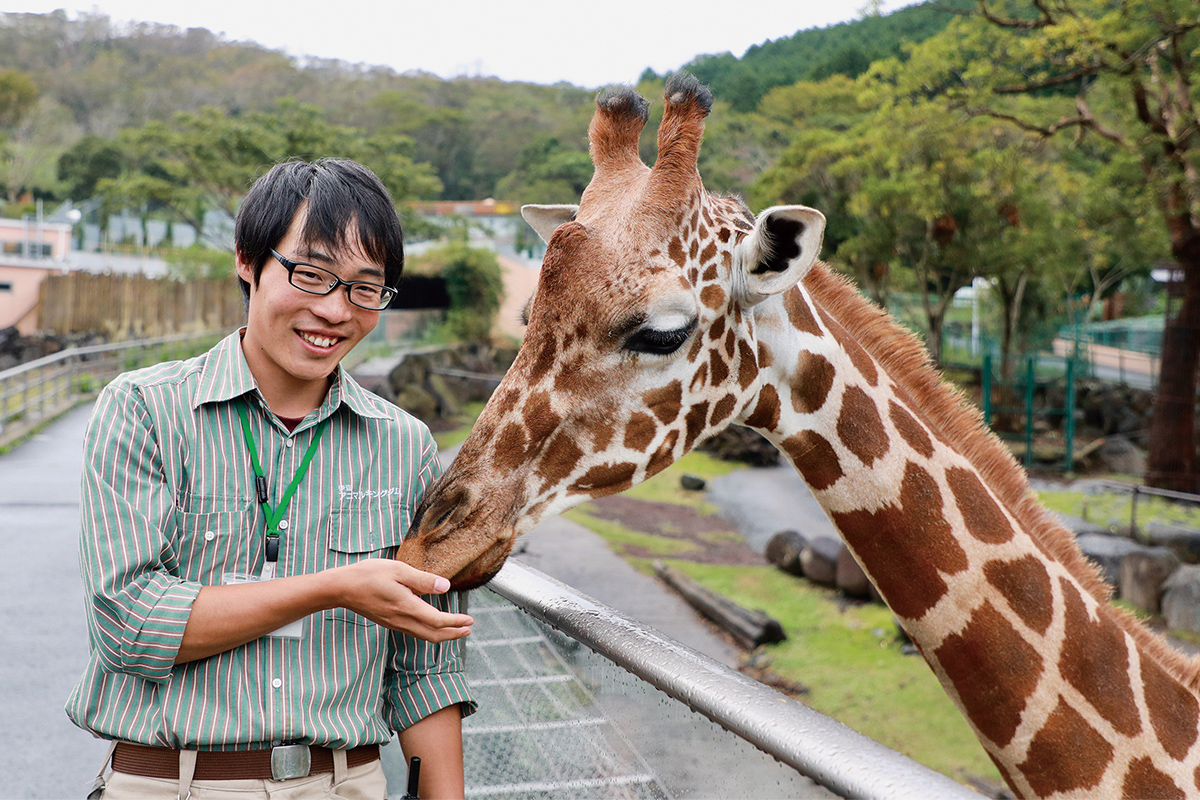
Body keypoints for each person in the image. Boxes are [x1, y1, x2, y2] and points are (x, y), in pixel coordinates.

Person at [66, 158, 475, 800]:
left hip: (345, 785)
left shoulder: (406, 446)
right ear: (247, 262)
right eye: (311, 275)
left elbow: (423, 671)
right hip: (173, 784)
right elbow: (129, 624)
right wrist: (334, 588)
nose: (335, 311)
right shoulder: (144, 409)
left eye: (365, 289)